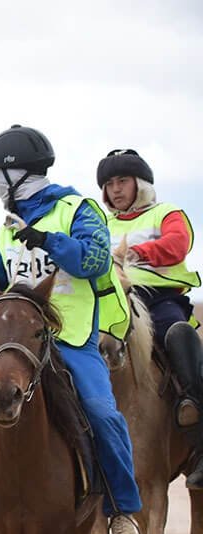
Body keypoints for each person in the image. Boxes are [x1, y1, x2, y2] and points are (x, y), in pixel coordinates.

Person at [0, 125, 144, 534]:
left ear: (19, 175)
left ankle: (122, 511)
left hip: (71, 339)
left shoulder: (78, 209)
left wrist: (50, 241)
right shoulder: (5, 229)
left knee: (103, 414)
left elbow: (92, 260)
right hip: (16, 343)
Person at [97, 148, 203, 489]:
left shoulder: (166, 213)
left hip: (160, 301)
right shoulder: (100, 222)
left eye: (122, 181)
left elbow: (177, 244)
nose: (115, 189)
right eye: (110, 183)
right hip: (112, 303)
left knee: (178, 333)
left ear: (140, 183)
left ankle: (193, 408)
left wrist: (137, 251)